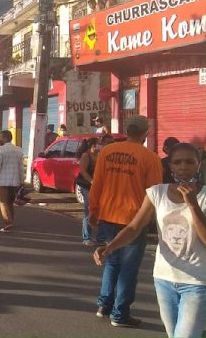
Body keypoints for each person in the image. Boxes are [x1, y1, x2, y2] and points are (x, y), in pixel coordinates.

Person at [94, 143, 206, 337]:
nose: (183, 167)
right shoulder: (157, 193)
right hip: (164, 279)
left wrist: (193, 205)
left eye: (190, 162)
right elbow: (134, 227)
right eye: (177, 162)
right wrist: (109, 247)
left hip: (197, 282)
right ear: (170, 166)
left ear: (198, 165)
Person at [88, 115, 163, 327]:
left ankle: (104, 304)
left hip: (108, 215)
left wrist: (93, 211)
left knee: (111, 261)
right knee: (128, 269)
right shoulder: (150, 158)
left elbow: (97, 184)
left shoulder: (108, 152)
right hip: (133, 221)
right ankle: (120, 314)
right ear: (146, 133)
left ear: (126, 131)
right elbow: (154, 194)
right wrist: (153, 222)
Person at [0, 130, 24, 233]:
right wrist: (22, 180)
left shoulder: (1, 149)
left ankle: (8, 222)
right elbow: (20, 168)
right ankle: (11, 220)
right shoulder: (19, 150)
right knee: (10, 202)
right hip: (15, 181)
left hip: (2, 180)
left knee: (3, 202)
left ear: (4, 138)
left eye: (1, 137)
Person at [75, 137, 102, 246]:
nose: (100, 146)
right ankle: (86, 237)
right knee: (88, 209)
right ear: (93, 145)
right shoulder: (86, 155)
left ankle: (98, 237)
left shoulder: (99, 155)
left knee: (98, 210)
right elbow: (83, 171)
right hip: (86, 186)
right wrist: (92, 181)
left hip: (97, 186)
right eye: (98, 144)